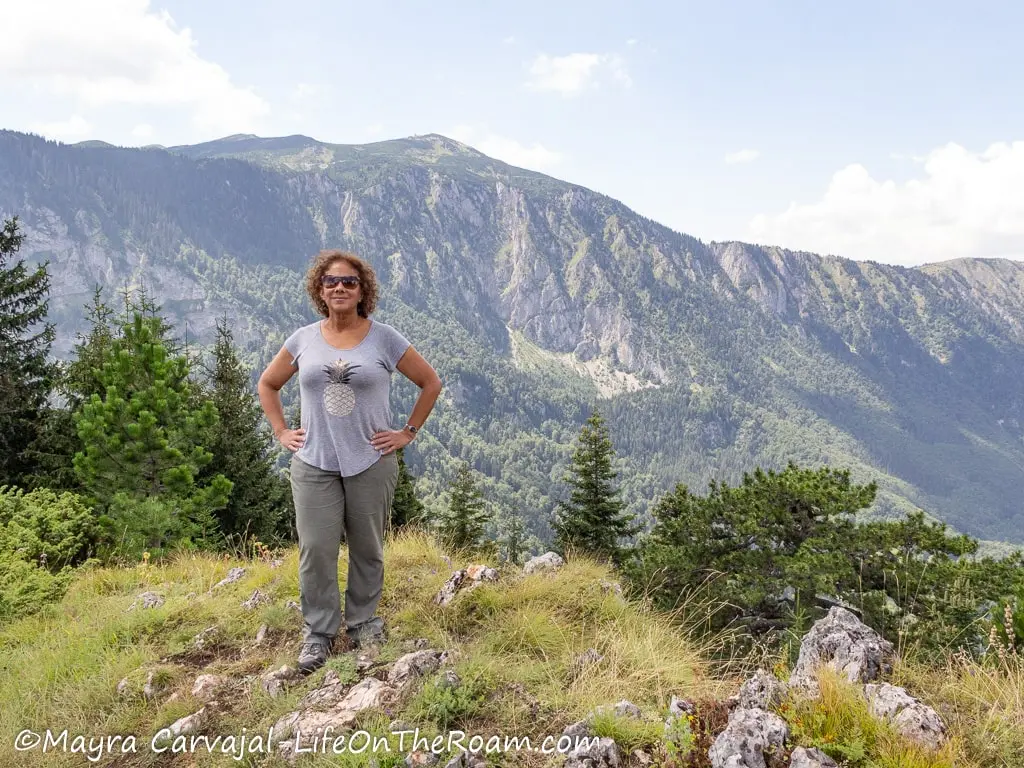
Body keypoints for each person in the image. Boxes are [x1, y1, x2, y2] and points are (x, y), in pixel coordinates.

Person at [258, 249, 442, 673]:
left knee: (368, 548)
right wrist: (282, 432)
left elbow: (430, 382)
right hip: (314, 460)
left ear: (363, 291)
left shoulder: (384, 338)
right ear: (319, 290)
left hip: (371, 459)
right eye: (331, 282)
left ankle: (363, 624)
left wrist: (407, 433)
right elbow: (268, 384)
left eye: (349, 282)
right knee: (316, 550)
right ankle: (318, 634)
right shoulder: (303, 339)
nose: (340, 288)